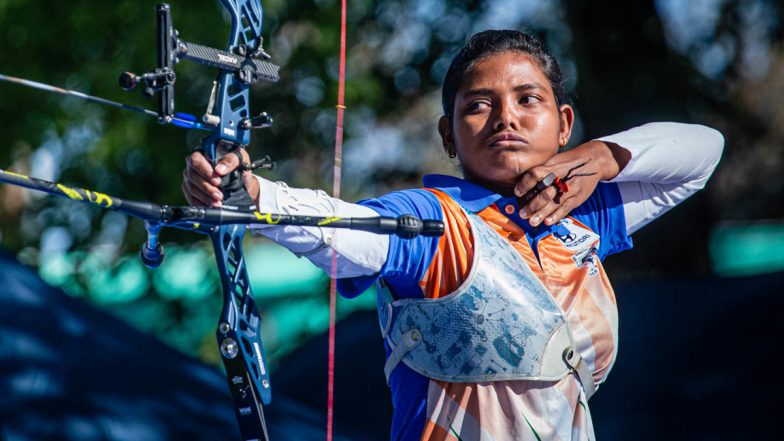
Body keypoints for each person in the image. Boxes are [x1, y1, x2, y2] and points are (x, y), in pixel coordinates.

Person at [183, 30, 723, 441]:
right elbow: (346, 231)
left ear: (563, 123)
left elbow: (703, 151)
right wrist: (249, 195)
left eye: (528, 100)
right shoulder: (434, 220)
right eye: (478, 105)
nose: (504, 118)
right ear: (449, 134)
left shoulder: (584, 213)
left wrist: (601, 157)